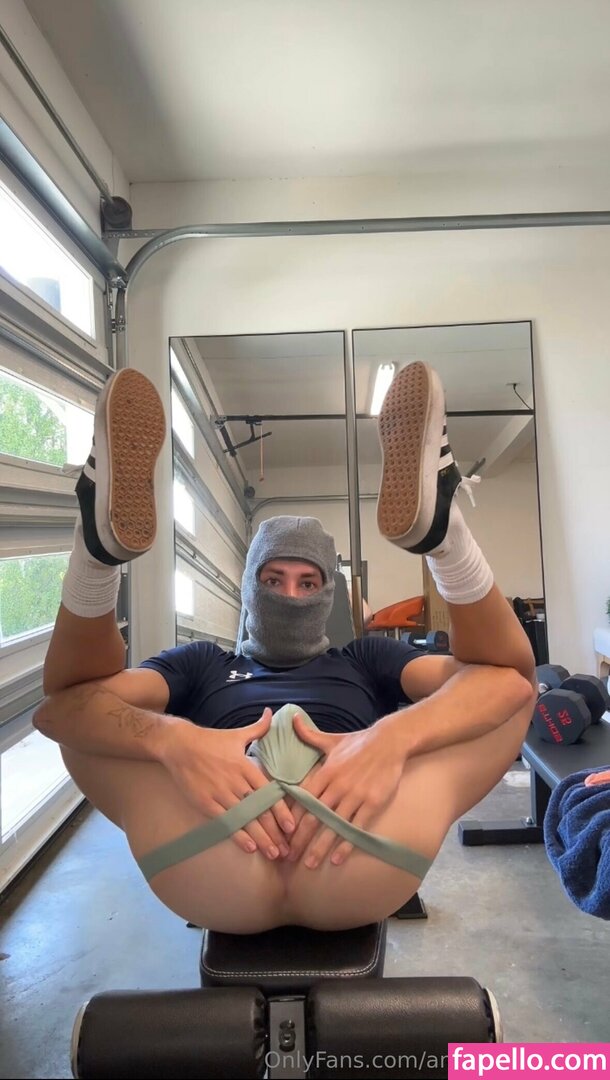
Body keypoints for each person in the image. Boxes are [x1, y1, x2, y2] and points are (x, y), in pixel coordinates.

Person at [34, 362, 537, 934]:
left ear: (329, 593)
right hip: (227, 844)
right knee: (81, 711)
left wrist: (392, 739)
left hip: (345, 839)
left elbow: (505, 682)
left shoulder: (365, 659)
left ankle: (443, 540)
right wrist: (174, 742)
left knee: (514, 687)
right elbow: (61, 710)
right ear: (249, 589)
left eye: (308, 582)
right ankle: (97, 557)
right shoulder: (204, 663)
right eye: (272, 580)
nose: (291, 596)